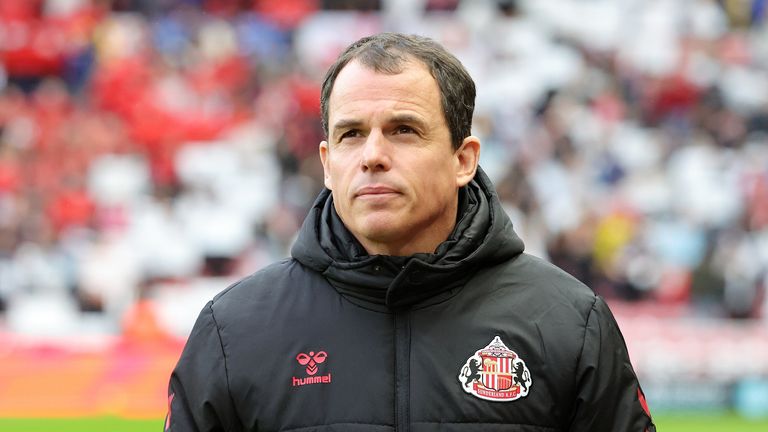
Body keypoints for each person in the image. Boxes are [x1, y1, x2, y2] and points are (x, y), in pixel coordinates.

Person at [166, 32, 656, 432]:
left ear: (463, 159)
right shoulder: (233, 330)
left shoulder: (570, 323)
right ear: (327, 164)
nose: (372, 155)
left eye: (403, 130)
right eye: (351, 134)